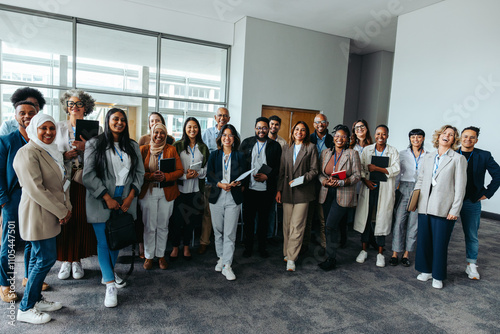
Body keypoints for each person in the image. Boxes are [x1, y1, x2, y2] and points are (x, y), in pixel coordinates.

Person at [13, 113, 72, 324]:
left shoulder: (51, 151)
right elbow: (36, 190)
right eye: (43, 128)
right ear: (34, 130)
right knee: (44, 259)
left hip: (51, 212)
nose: (48, 132)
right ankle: (26, 308)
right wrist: (62, 211)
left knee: (43, 258)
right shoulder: (27, 153)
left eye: (52, 128)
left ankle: (36, 299)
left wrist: (67, 206)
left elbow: (62, 182)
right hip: (37, 214)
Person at [83, 108, 144, 307]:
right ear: (107, 120)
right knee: (103, 242)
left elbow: (139, 174)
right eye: (115, 119)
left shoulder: (132, 146)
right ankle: (109, 284)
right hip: (101, 199)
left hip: (125, 199)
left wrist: (131, 197)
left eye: (122, 120)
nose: (119, 122)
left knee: (117, 239)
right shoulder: (94, 144)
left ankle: (108, 272)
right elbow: (88, 175)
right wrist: (107, 197)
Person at [414, 125, 467, 289]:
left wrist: (454, 210)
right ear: (438, 136)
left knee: (439, 244)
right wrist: (416, 201)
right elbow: (421, 180)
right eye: (445, 133)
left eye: (451, 135)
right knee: (424, 241)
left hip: (444, 209)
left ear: (454, 140)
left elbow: (460, 187)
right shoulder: (428, 157)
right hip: (425, 206)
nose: (447, 136)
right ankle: (426, 271)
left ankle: (438, 275)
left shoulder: (458, 159)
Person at [54, 89, 98, 280]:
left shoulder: (96, 129)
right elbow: (49, 152)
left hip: (83, 181)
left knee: (80, 218)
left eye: (79, 104)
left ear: (85, 107)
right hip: (63, 179)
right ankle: (66, 260)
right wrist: (64, 156)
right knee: (65, 218)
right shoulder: (57, 127)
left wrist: (85, 148)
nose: (74, 107)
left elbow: (100, 156)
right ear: (66, 107)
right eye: (71, 104)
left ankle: (77, 260)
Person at [0, 101, 40, 303]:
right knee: (10, 242)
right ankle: (5, 285)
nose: (27, 116)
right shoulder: (6, 141)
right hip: (13, 198)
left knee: (33, 240)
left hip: (35, 197)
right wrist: (3, 200)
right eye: (22, 113)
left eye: (31, 113)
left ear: (37, 114)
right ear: (15, 116)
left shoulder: (40, 141)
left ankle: (28, 277)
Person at [457, 126, 500, 280]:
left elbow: (498, 174)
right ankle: (438, 265)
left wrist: (487, 193)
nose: (468, 139)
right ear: (460, 137)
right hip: (451, 201)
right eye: (465, 136)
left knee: (472, 234)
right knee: (443, 234)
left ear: (476, 140)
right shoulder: (452, 153)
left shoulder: (484, 155)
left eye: (472, 137)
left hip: (471, 201)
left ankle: (471, 265)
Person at [354, 125, 400, 267]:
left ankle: (380, 253)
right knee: (366, 218)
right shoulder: (367, 150)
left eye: (384, 134)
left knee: (382, 219)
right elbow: (360, 167)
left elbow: (396, 169)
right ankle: (364, 250)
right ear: (374, 135)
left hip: (384, 188)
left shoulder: (393, 151)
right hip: (369, 186)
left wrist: (377, 168)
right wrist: (365, 180)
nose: (381, 136)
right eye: (378, 134)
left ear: (387, 135)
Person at [139, 123, 183, 270]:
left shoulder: (171, 149)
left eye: (162, 133)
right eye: (156, 132)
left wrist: (166, 177)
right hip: (148, 191)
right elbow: (137, 173)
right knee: (149, 226)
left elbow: (179, 171)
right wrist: (151, 176)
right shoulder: (144, 150)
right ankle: (149, 256)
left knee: (163, 226)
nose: (159, 135)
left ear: (166, 134)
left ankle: (161, 255)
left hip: (166, 192)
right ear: (151, 133)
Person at [276, 121, 318, 272]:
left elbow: (314, 170)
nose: (299, 132)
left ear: (306, 133)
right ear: (293, 131)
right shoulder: (287, 149)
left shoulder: (311, 148)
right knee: (287, 225)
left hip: (303, 192)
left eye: (303, 130)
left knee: (297, 226)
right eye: (297, 129)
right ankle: (287, 253)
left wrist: (302, 179)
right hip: (287, 192)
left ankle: (292, 258)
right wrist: (279, 190)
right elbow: (281, 172)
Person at [317, 125, 361, 270]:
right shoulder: (325, 153)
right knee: (330, 226)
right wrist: (324, 181)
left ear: (347, 139)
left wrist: (342, 182)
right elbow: (320, 173)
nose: (339, 139)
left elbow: (357, 175)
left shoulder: (352, 153)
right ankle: (331, 254)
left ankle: (331, 258)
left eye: (343, 136)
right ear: (333, 137)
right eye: (337, 135)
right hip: (327, 192)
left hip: (343, 193)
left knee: (330, 225)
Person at [206, 124, 246, 280]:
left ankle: (227, 265)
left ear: (234, 139)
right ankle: (221, 258)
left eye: (230, 135)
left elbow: (245, 176)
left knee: (229, 233)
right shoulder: (214, 155)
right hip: (217, 195)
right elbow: (209, 175)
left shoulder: (240, 156)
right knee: (218, 231)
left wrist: (238, 183)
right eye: (224, 135)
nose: (227, 138)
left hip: (233, 197)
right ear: (220, 138)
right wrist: (220, 184)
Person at [240, 117, 282, 258]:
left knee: (264, 221)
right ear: (255, 128)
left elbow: (278, 168)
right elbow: (240, 164)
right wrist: (242, 183)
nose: (261, 130)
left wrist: (267, 177)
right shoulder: (247, 143)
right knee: (249, 221)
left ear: (268, 129)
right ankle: (248, 247)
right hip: (249, 189)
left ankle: (262, 248)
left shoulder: (275, 146)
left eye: (264, 127)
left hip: (266, 190)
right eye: (259, 127)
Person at [171, 117, 209, 261]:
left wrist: (197, 173)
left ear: (198, 129)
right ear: (185, 129)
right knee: (177, 220)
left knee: (190, 221)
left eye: (195, 127)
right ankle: (175, 247)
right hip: (179, 190)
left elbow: (206, 169)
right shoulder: (177, 145)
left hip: (195, 190)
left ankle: (186, 247)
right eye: (189, 127)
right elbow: (173, 169)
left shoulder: (203, 147)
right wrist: (185, 175)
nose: (192, 130)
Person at [390, 129, 426, 267]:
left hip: (419, 189)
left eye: (418, 137)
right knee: (399, 221)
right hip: (404, 188)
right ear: (409, 139)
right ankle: (395, 253)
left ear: (423, 139)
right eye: (413, 137)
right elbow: (397, 174)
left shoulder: (428, 155)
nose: (415, 139)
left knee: (414, 224)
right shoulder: (402, 154)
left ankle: (406, 254)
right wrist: (394, 192)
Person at [199, 107, 231, 254]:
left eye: (225, 116)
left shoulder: (232, 134)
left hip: (228, 181)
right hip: (211, 181)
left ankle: (225, 242)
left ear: (228, 118)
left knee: (227, 213)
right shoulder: (206, 134)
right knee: (208, 212)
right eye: (219, 115)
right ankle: (205, 241)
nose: (222, 118)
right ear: (215, 117)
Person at [304, 113, 333, 254]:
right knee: (308, 215)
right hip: (310, 182)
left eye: (323, 122)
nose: (320, 125)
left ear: (327, 124)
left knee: (323, 216)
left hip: (326, 183)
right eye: (317, 122)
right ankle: (305, 244)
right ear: (314, 124)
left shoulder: (333, 140)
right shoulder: (307, 138)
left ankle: (325, 244)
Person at [346, 119, 374, 249]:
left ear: (367, 128)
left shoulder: (373, 146)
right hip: (353, 184)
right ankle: (344, 241)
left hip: (367, 184)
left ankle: (368, 240)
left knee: (366, 213)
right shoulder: (350, 146)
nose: (360, 129)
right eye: (356, 128)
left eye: (362, 126)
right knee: (348, 214)